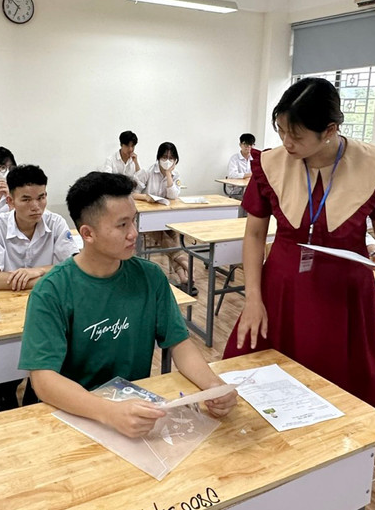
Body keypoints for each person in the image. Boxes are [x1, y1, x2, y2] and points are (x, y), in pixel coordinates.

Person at [222, 77, 375, 409]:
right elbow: (253, 234)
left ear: (329, 130)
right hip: (281, 287)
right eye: (281, 130)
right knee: (257, 385)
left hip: (344, 293)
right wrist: (252, 298)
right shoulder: (271, 164)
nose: (286, 142)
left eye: (297, 135)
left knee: (338, 392)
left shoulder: (373, 164)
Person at [18, 172, 237, 436]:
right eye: (122, 225)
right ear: (87, 234)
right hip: (77, 414)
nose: (134, 233)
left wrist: (212, 385)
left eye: (133, 221)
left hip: (135, 410)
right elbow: (43, 380)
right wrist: (108, 412)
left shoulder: (150, 277)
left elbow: (178, 343)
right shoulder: (52, 290)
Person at [0, 164, 79, 412]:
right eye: (27, 199)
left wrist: (38, 270)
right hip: (2, 309)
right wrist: (53, 273)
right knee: (6, 376)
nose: (36, 206)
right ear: (10, 200)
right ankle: (5, 394)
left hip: (46, 308)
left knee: (47, 368)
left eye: (42, 197)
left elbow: (75, 266)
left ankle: (37, 392)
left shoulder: (55, 222)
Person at [133, 142, 194, 295]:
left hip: (166, 217)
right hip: (146, 219)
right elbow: (130, 193)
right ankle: (185, 266)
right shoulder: (147, 172)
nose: (167, 160)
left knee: (172, 235)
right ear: (158, 157)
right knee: (164, 238)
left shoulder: (175, 175)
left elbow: (173, 195)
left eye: (171, 158)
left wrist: (168, 174)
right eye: (164, 157)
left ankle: (183, 276)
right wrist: (146, 197)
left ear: (175, 160)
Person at [225, 133, 255, 198]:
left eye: (251, 145)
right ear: (240, 145)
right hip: (237, 189)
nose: (248, 148)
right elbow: (232, 174)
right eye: (246, 145)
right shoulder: (234, 158)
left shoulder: (255, 158)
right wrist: (250, 175)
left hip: (251, 187)